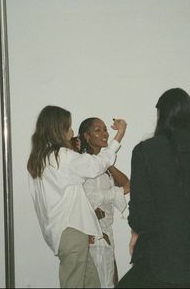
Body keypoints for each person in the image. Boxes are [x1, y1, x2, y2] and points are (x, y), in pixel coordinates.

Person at [117, 88, 190, 288]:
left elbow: (141, 216)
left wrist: (137, 233)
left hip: (162, 262)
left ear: (161, 115)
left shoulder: (145, 151)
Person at [27, 105, 127, 288]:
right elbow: (97, 165)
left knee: (91, 283)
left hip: (62, 232)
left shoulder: (40, 159)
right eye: (68, 127)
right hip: (71, 232)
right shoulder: (61, 157)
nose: (72, 131)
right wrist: (118, 136)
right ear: (58, 130)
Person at [73, 117, 130, 288]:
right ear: (86, 136)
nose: (105, 133)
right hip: (93, 234)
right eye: (98, 130)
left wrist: (107, 163)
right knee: (102, 282)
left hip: (106, 232)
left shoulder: (101, 164)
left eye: (105, 129)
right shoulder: (82, 163)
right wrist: (117, 192)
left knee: (110, 280)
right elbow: (88, 198)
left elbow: (127, 183)